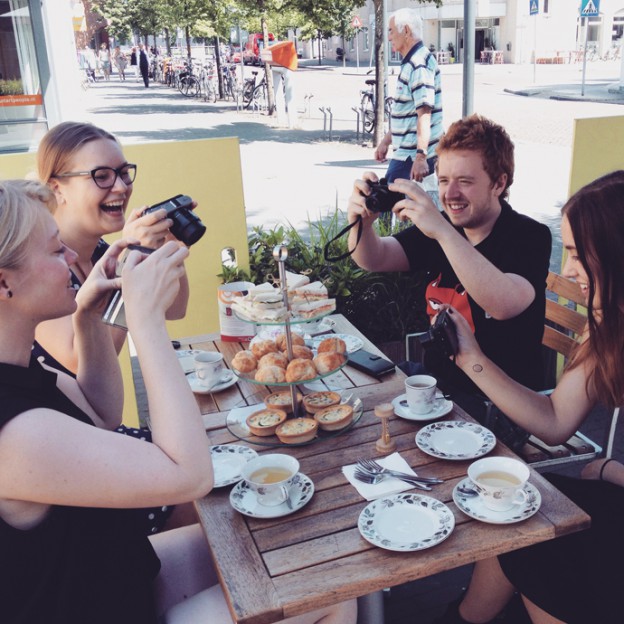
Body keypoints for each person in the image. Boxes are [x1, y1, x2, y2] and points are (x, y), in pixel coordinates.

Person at [0, 179, 357, 624]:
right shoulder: (15, 435)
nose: (73, 258)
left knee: (302, 548)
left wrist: (91, 315)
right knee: (325, 589)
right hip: (108, 607)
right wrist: (146, 321)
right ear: (3, 281)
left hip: (116, 577)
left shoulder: (20, 369)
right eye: (56, 251)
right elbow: (189, 476)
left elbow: (102, 415)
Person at [437, 170, 624, 624]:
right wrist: (469, 357)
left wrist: (613, 469)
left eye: (580, 254)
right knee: (521, 500)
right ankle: (466, 617)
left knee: (539, 545)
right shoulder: (607, 325)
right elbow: (557, 419)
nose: (567, 271)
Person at [347, 114, 552, 450]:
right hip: (439, 390)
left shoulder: (528, 237)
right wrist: (360, 222)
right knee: (358, 426)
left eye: (465, 182)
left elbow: (503, 304)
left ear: (499, 183)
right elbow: (375, 258)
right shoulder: (444, 227)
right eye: (443, 180)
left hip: (499, 409)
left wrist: (441, 231)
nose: (450, 194)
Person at [32, 121, 191, 533]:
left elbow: (176, 309)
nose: (120, 186)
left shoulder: (104, 250)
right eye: (101, 176)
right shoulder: (46, 271)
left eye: (123, 172)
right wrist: (130, 259)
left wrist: (165, 249)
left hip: (103, 432)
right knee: (210, 497)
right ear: (57, 188)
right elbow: (75, 359)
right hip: (71, 463)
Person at [374, 8, 443, 209]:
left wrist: (421, 157)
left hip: (411, 157)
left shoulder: (418, 64)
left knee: (390, 208)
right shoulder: (414, 61)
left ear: (405, 30)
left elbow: (424, 114)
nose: (389, 37)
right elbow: (408, 113)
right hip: (408, 153)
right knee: (407, 211)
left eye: (390, 31)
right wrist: (386, 141)